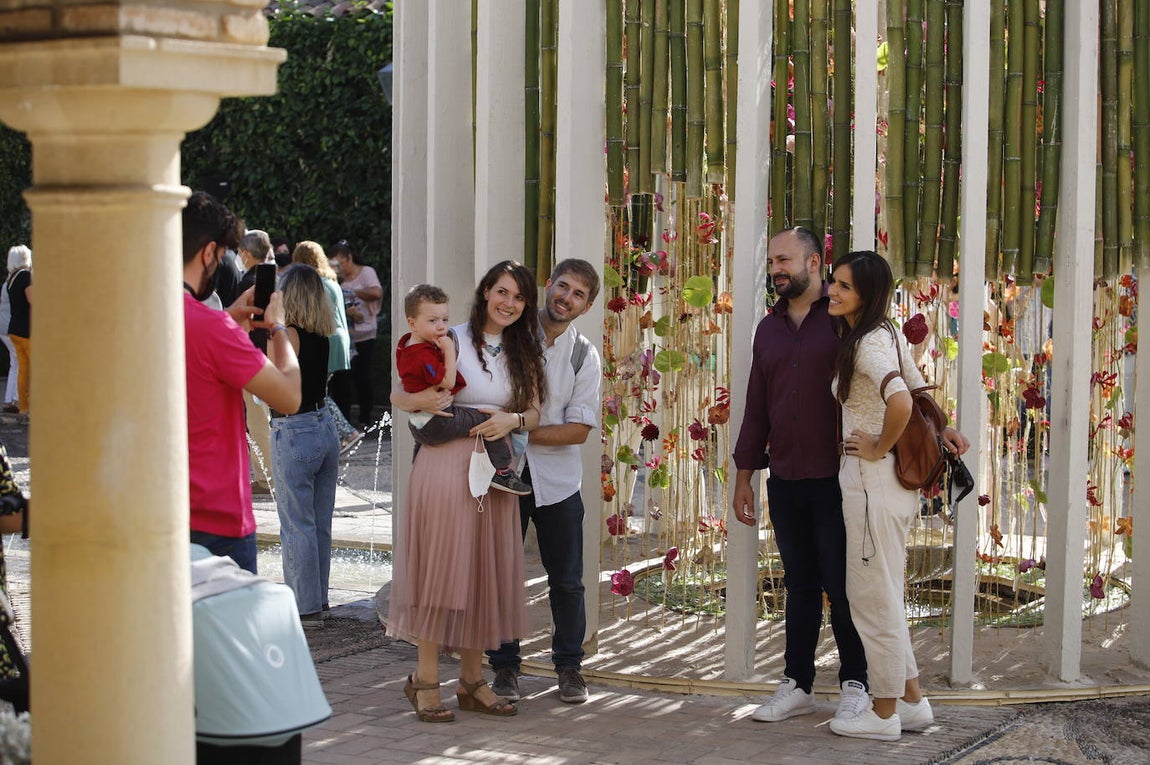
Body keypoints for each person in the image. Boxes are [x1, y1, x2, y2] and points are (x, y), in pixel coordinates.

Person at [387, 260, 547, 723]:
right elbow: (399, 394)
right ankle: (425, 680)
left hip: (494, 470)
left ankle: (473, 682)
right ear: (485, 293)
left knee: (481, 575)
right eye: (502, 292)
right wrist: (422, 400)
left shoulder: (525, 350)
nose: (509, 303)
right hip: (446, 465)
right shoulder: (448, 336)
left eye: (518, 297)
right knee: (440, 571)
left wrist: (513, 420)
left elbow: (534, 412)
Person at [825, 249, 968, 741]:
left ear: (867, 294)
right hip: (890, 488)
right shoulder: (882, 333)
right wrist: (944, 427)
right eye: (833, 281)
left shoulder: (867, 344)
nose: (833, 291)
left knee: (871, 598)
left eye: (845, 286)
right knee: (885, 590)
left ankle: (882, 713)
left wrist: (876, 445)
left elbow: (904, 400)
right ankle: (911, 701)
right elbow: (919, 390)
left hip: (871, 483)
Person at [732, 227, 871, 724]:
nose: (776, 269)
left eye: (784, 260)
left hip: (839, 477)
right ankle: (798, 683)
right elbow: (756, 407)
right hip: (785, 477)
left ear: (815, 263)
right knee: (801, 584)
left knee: (843, 583)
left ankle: (858, 682)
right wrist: (744, 474)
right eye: (772, 261)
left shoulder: (842, 321)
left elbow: (885, 381)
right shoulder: (767, 330)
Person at [487, 259, 602, 705]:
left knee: (568, 580)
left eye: (577, 294)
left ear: (586, 306)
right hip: (502, 475)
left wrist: (517, 427)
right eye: (563, 286)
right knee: (502, 575)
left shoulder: (582, 354)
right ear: (548, 284)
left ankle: (570, 667)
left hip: (558, 481)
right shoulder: (509, 334)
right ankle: (503, 667)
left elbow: (578, 430)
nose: (566, 298)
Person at [183, 191, 301, 573]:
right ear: (208, 253)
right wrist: (278, 327)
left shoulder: (134, 316)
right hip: (215, 520)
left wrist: (227, 323)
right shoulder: (212, 328)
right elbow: (288, 397)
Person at [397, 283, 532, 496]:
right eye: (433, 321)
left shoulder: (407, 345)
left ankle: (419, 463)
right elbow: (448, 381)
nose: (441, 327)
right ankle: (503, 472)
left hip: (420, 423)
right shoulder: (423, 354)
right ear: (412, 323)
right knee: (485, 420)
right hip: (435, 422)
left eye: (444, 320)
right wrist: (449, 351)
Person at [269, 264, 341, 629]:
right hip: (324, 425)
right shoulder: (322, 335)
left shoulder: (288, 335)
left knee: (296, 524)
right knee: (319, 523)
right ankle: (321, 601)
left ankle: (305, 609)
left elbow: (271, 385)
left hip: (293, 428)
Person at [290, 241, 360, 454]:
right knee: (323, 390)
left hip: (327, 338)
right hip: (338, 338)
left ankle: (347, 433)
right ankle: (339, 435)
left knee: (320, 392)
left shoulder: (315, 283)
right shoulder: (331, 280)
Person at [237, 229, 276, 494]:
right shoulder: (274, 277)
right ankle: (268, 474)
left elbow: (247, 324)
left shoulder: (251, 282)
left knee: (258, 419)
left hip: (253, 357)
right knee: (264, 418)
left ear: (247, 254)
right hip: (270, 354)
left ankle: (268, 477)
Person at [328, 240, 382, 431]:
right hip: (346, 337)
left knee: (362, 378)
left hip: (365, 335)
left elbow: (377, 292)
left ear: (349, 258)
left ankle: (365, 419)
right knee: (342, 381)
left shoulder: (366, 272)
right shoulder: (338, 280)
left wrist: (352, 292)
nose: (338, 268)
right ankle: (345, 422)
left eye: (339, 263)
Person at [0, 247, 29, 413]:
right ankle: (16, 400)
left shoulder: (9, 281)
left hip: (5, 328)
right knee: (20, 364)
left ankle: (11, 399)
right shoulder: (21, 279)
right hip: (13, 328)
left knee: (16, 363)